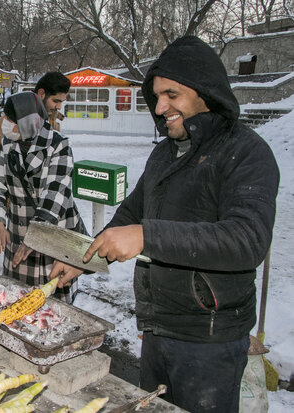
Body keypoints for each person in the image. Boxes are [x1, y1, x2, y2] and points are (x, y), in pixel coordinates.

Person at [50, 36, 280, 413]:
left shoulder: (246, 151)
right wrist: (82, 259)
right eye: (157, 96)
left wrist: (147, 236)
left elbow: (247, 240)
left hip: (210, 339)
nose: (160, 107)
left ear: (205, 91)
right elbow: (130, 216)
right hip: (157, 328)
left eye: (172, 94)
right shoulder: (164, 154)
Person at [0, 91, 85, 304]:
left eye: (11, 120)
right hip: (17, 228)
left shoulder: (58, 145)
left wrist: (35, 236)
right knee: (17, 297)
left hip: (51, 229)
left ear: (29, 122)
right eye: (6, 117)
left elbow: (55, 193)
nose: (5, 124)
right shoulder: (8, 143)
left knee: (51, 300)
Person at [0, 72, 70, 151]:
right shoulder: (15, 112)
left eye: (61, 102)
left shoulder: (58, 141)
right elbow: (1, 148)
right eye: (55, 101)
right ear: (41, 94)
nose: (59, 107)